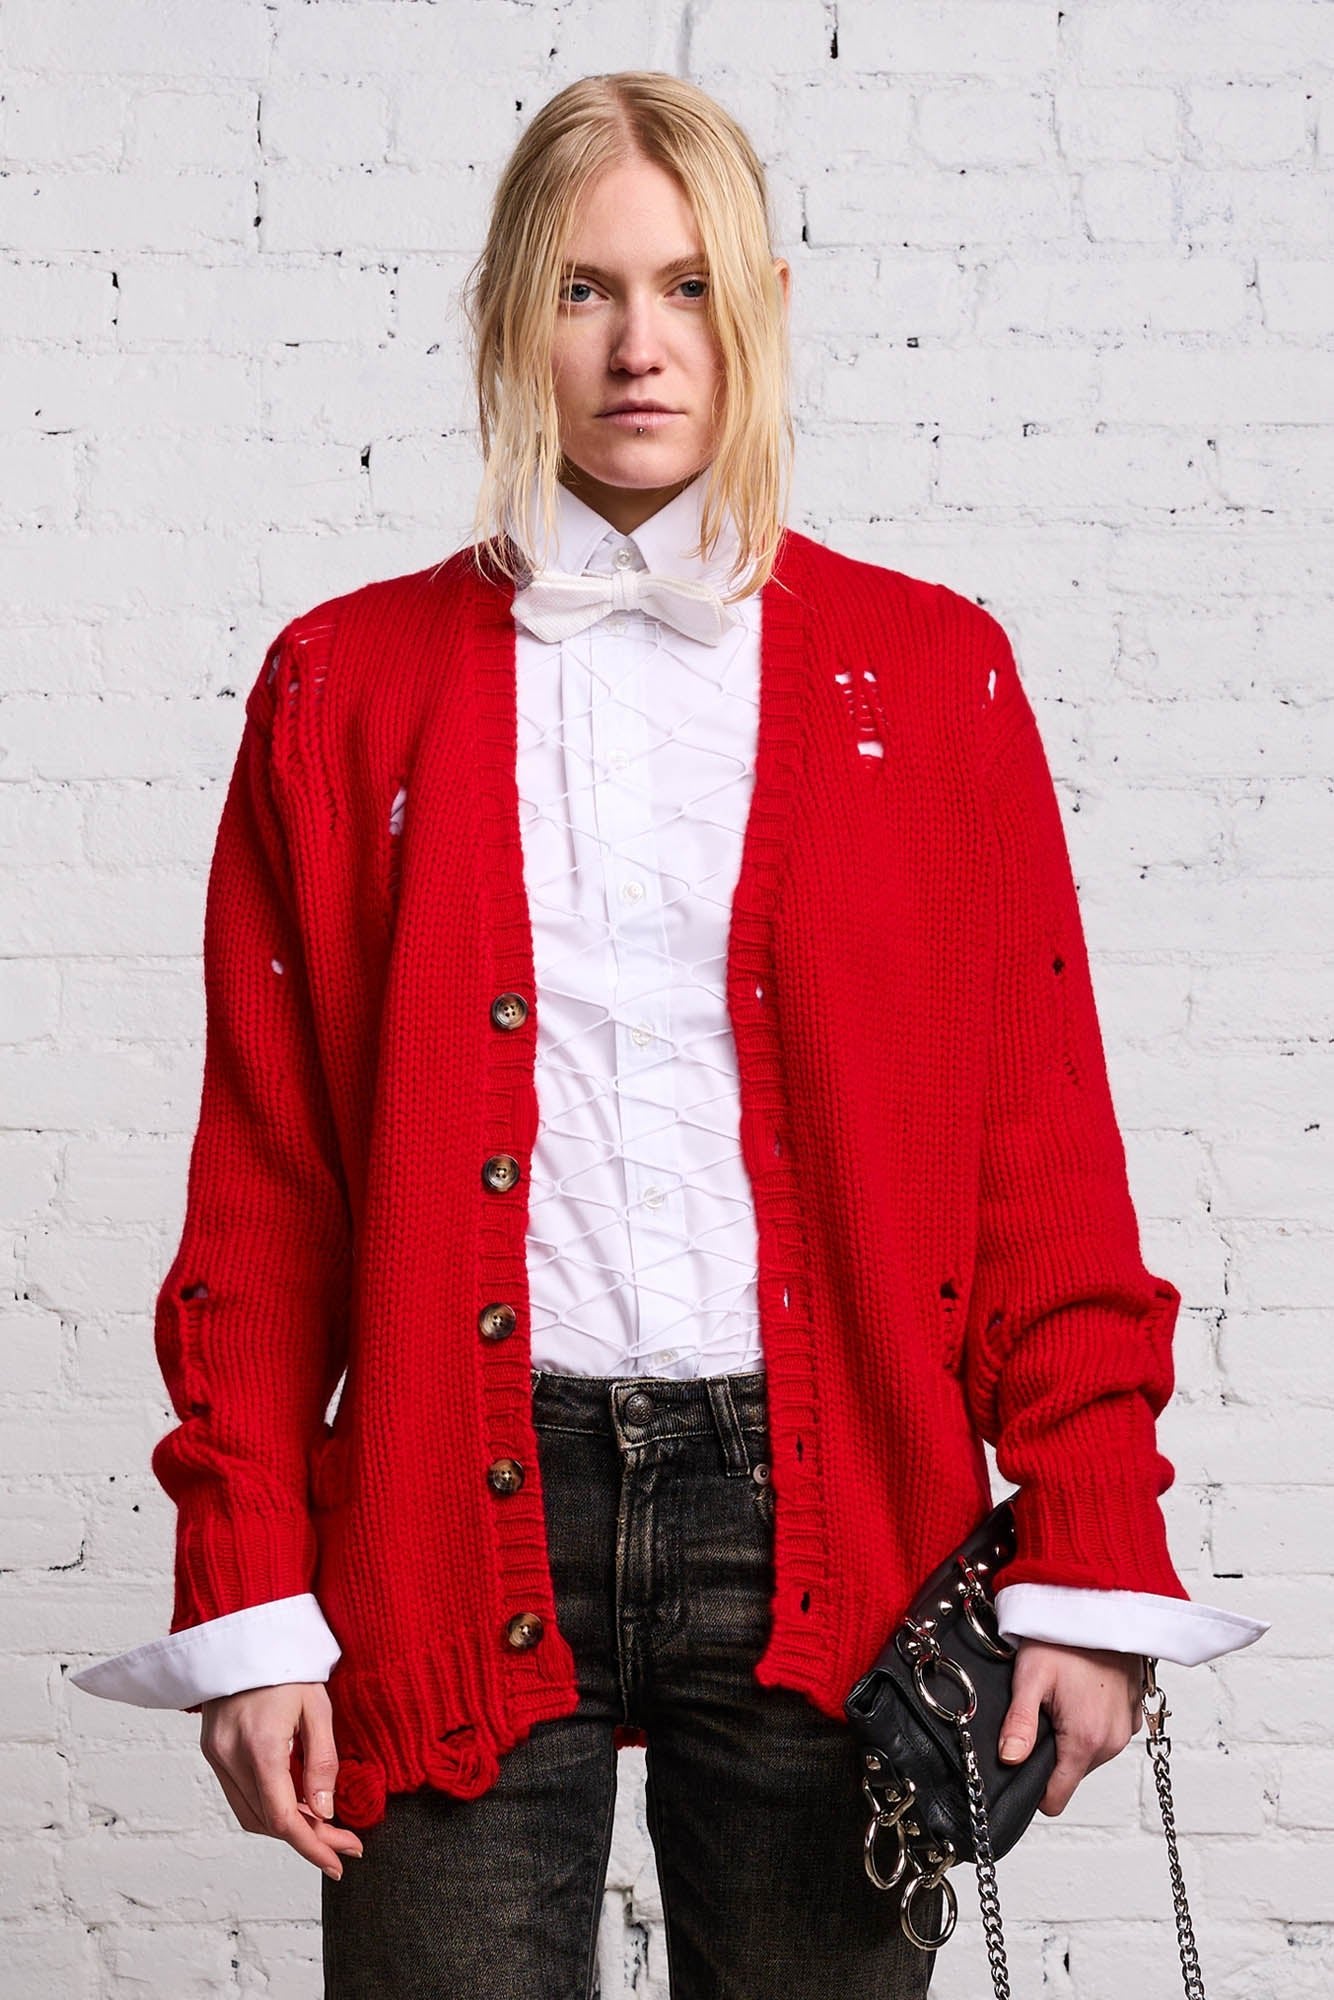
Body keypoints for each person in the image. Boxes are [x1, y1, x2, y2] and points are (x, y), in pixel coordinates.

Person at [72, 70, 1266, 1999]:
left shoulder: (928, 677)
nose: (640, 345)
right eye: (583, 288)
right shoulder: (342, 686)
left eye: (691, 287)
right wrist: (252, 1589)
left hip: (829, 1514)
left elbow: (1035, 1154)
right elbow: (270, 1187)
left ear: (762, 311)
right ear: (507, 318)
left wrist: (1088, 1541)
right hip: (451, 1515)